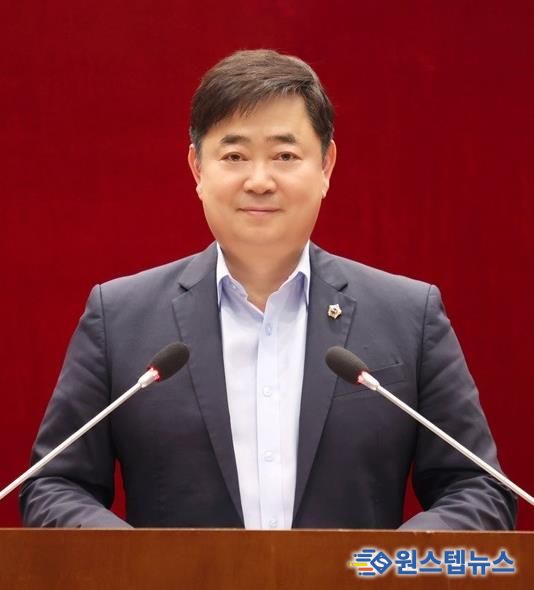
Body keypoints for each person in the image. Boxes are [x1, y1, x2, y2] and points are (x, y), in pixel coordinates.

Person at [20, 49, 516, 530]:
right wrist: (134, 564)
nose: (259, 181)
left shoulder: (408, 316)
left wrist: (383, 567)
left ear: (326, 166)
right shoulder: (120, 318)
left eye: (284, 155)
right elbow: (53, 485)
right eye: (234, 155)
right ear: (197, 169)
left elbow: (479, 487)